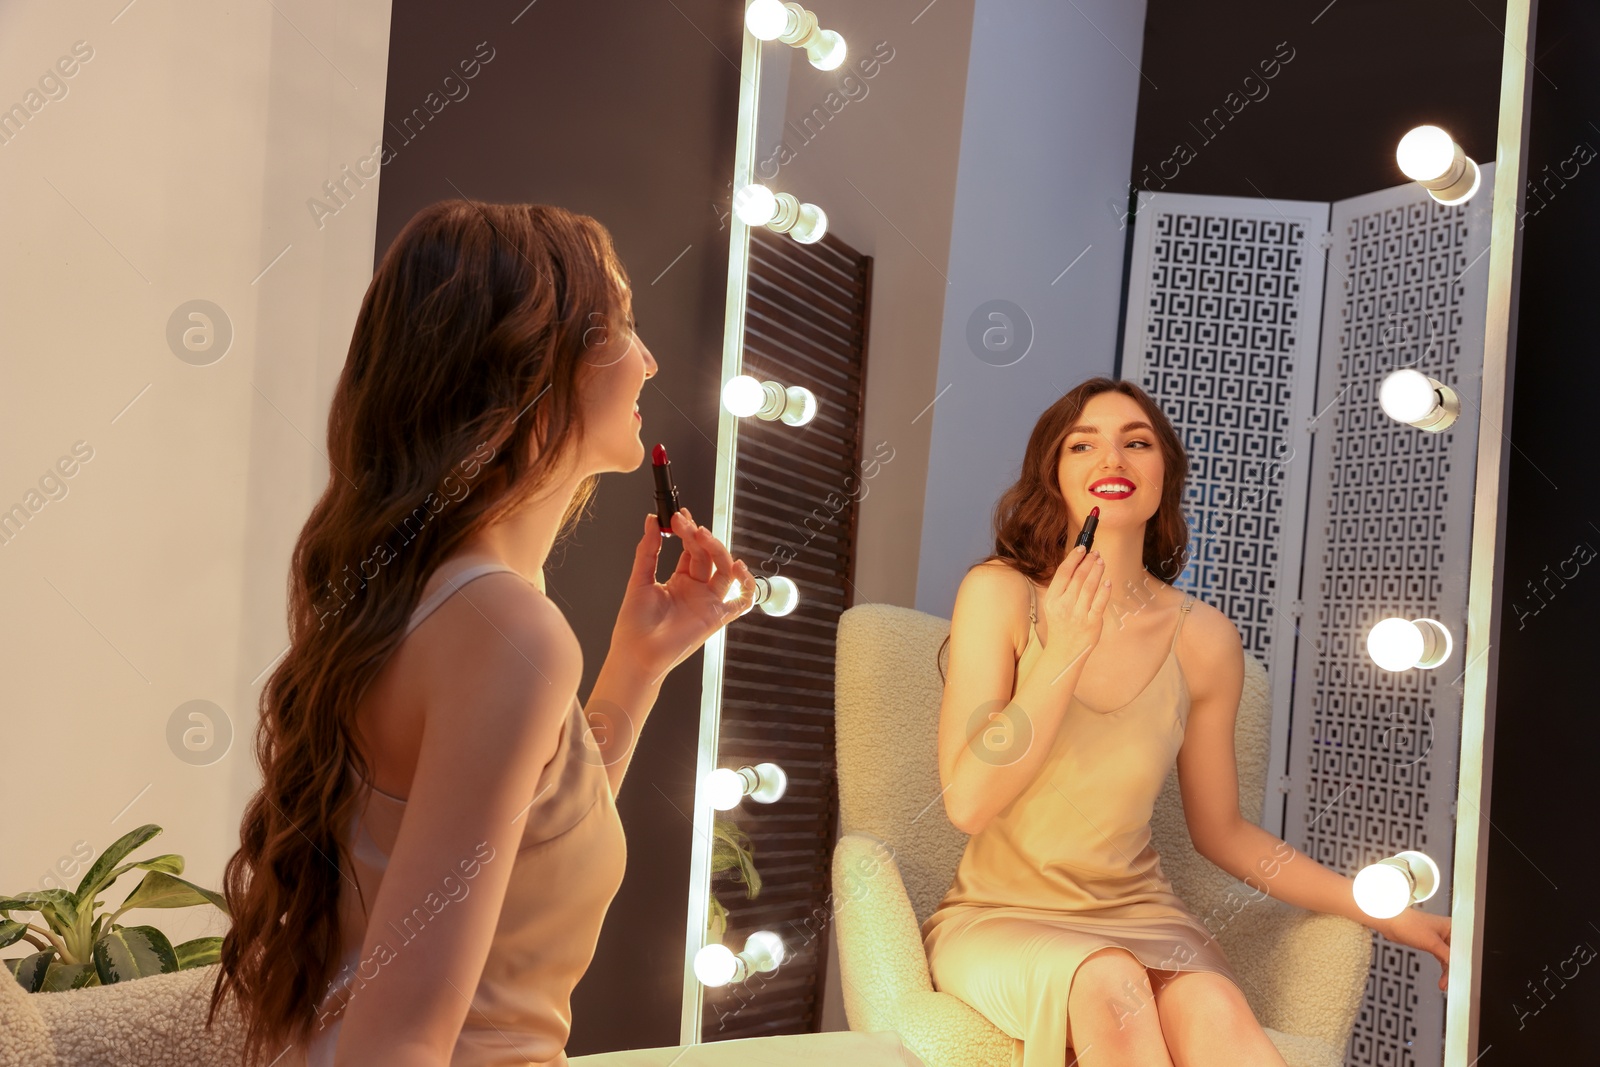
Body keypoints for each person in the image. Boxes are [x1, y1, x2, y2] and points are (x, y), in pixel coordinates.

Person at [205, 200, 755, 1067]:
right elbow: (400, 1045)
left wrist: (640, 661)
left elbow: (532, 851)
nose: (648, 361)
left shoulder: (446, 600)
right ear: (531, 364)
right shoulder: (507, 627)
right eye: (618, 326)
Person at [922, 377, 1451, 1067]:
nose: (1111, 458)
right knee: (1110, 982)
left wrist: (1382, 908)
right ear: (1053, 472)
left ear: (1164, 473)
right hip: (1000, 916)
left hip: (1142, 915)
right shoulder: (1000, 593)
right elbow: (968, 801)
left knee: (1216, 1009)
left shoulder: (1204, 639)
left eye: (1135, 442)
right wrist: (1065, 653)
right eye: (1084, 444)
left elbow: (1224, 833)